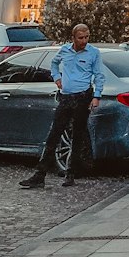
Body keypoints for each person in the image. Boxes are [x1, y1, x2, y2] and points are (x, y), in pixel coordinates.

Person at [20, 23, 104, 189]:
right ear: (73, 38)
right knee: (54, 135)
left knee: (77, 136)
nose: (84, 41)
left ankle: (71, 173)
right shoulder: (65, 50)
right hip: (66, 97)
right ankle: (40, 174)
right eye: (81, 38)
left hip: (82, 96)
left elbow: (99, 75)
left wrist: (97, 96)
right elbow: (54, 63)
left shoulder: (93, 53)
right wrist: (56, 77)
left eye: (87, 37)